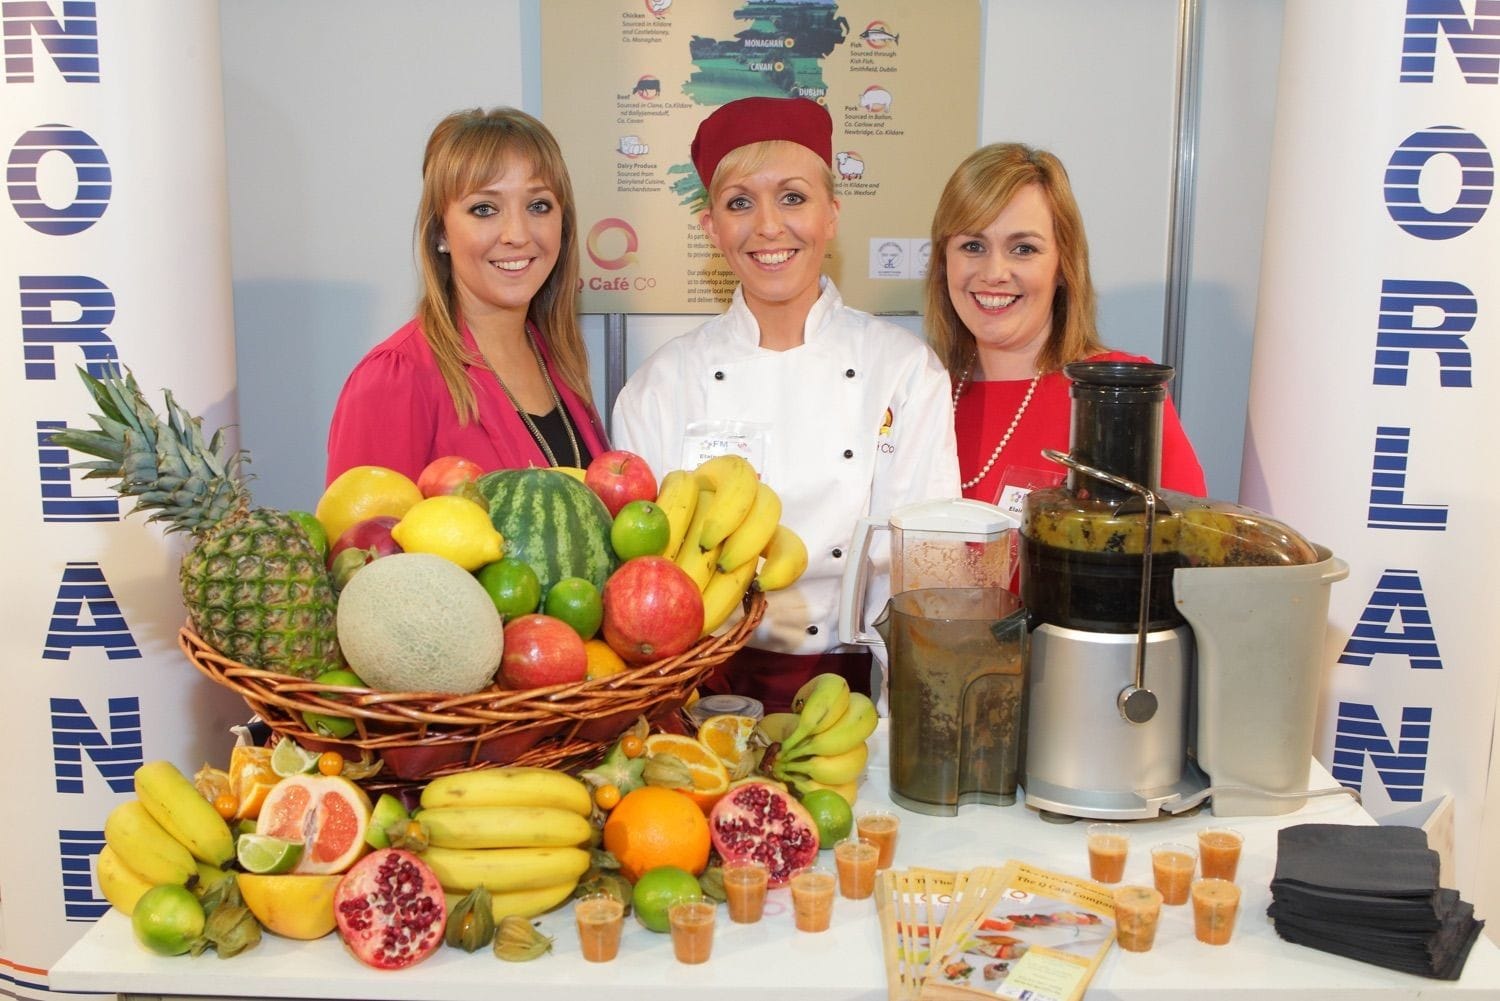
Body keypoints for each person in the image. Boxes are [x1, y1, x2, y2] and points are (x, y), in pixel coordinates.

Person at [611, 96, 960, 713]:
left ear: (831, 215)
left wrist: (898, 717)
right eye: (739, 202)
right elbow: (645, 576)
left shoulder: (904, 371)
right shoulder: (661, 386)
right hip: (697, 688)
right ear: (711, 228)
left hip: (863, 684)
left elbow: (925, 572)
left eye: (793, 197)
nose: (768, 226)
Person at [326, 107, 608, 484]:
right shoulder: (396, 379)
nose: (517, 234)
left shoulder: (559, 359)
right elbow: (362, 539)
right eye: (484, 209)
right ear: (440, 233)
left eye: (538, 205)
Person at [926, 143, 1206, 503]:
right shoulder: (918, 390)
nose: (994, 273)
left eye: (1023, 248)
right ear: (942, 261)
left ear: (1063, 266)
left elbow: (1185, 546)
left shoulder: (1121, 397)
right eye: (972, 246)